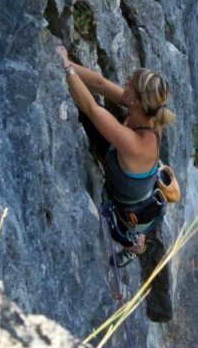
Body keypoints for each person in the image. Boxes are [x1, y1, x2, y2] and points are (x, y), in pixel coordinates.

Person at [55, 45, 175, 268]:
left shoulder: (137, 144)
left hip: (127, 210)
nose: (125, 84)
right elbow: (100, 84)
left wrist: (68, 69)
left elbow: (91, 108)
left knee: (125, 232)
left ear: (137, 100)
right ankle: (138, 238)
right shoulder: (145, 111)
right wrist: (65, 60)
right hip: (134, 186)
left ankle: (134, 246)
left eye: (130, 84)